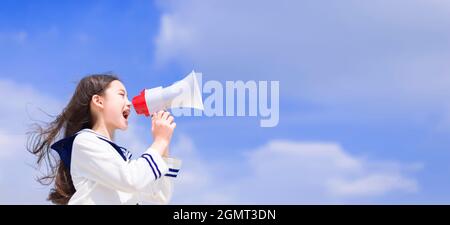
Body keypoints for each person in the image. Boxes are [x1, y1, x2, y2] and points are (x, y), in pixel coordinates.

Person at [27, 74, 181, 204]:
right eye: (122, 95)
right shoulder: (84, 142)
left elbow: (158, 197)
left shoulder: (117, 159)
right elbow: (131, 180)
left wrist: (164, 144)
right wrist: (159, 141)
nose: (129, 103)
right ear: (98, 101)